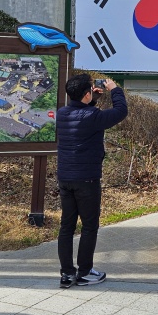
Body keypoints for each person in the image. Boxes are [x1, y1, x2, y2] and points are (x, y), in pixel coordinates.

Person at [56, 74, 128, 287]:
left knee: (66, 227)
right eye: (90, 90)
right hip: (87, 179)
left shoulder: (62, 113)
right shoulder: (92, 116)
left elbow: (80, 113)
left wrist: (91, 99)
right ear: (86, 94)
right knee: (89, 226)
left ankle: (67, 274)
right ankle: (85, 271)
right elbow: (121, 111)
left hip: (65, 178)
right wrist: (114, 89)